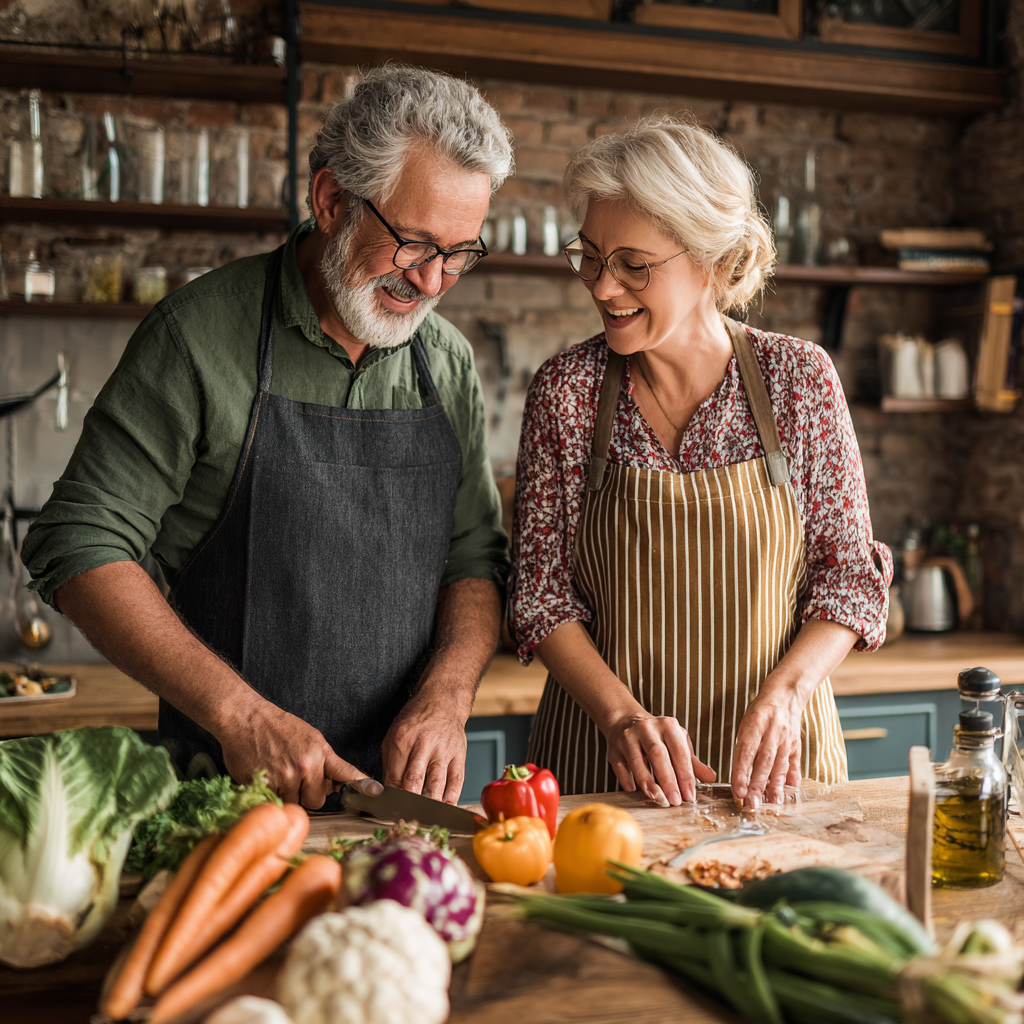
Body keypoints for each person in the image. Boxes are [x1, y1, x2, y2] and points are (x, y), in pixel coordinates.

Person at [23, 65, 514, 809]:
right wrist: (239, 713)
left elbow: (473, 559)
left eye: (459, 252)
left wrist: (446, 697)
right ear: (330, 200)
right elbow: (80, 542)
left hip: (401, 802)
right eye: (414, 243)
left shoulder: (445, 364)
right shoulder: (196, 337)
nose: (436, 281)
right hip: (223, 797)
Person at [509, 115, 892, 809]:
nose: (601, 287)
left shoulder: (797, 381)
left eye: (633, 264)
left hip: (775, 774)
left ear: (713, 262)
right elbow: (540, 595)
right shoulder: (567, 391)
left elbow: (849, 582)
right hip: (606, 775)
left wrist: (788, 693)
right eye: (590, 256)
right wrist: (621, 717)